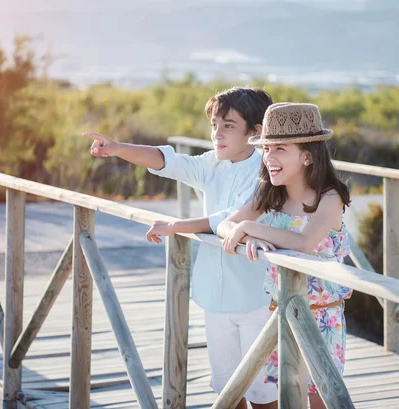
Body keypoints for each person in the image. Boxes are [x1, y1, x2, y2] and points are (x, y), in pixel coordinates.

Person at [83, 87, 278, 408]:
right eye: (214, 125)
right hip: (214, 296)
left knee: (262, 393)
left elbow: (230, 219)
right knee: (227, 390)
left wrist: (175, 226)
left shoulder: (267, 172)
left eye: (228, 125)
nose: (217, 134)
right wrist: (117, 148)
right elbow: (167, 160)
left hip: (257, 298)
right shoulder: (212, 163)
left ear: (256, 132)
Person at [217, 102, 352, 409]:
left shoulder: (328, 198)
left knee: (321, 399)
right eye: (266, 149)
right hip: (279, 314)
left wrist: (252, 228)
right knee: (287, 396)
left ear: (307, 156)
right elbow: (225, 225)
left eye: (280, 149)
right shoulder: (271, 194)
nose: (269, 158)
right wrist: (247, 234)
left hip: (322, 318)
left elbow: (304, 241)